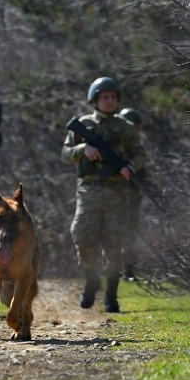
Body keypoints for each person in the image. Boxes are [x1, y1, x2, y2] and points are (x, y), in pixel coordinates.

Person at [61, 77, 147, 313]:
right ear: (95, 100)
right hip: (89, 190)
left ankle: (111, 296)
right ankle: (91, 279)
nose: (109, 101)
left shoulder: (125, 127)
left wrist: (130, 166)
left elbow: (141, 154)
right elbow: (65, 154)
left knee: (113, 243)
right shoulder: (83, 125)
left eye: (112, 97)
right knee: (81, 234)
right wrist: (83, 150)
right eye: (104, 97)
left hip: (117, 192)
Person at [118, 107, 146, 282]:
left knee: (130, 234)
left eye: (135, 126)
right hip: (111, 196)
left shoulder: (138, 149)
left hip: (132, 196)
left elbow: (145, 169)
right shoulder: (115, 146)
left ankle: (128, 269)